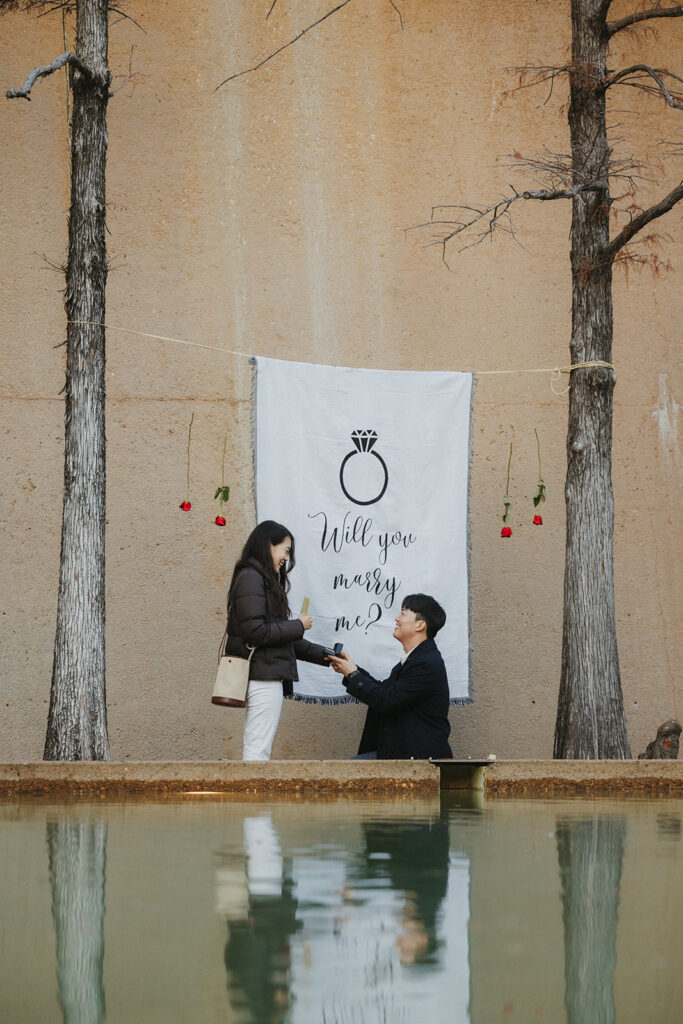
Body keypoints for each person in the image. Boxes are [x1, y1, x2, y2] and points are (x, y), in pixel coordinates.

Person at [225, 520, 329, 761]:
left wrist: (326, 656)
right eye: (285, 549)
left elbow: (278, 638)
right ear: (267, 546)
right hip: (262, 676)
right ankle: (252, 796)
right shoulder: (252, 578)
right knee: (258, 750)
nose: (286, 557)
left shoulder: (256, 578)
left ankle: (252, 794)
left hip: (264, 672)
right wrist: (298, 625)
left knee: (258, 747)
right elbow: (256, 632)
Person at [327, 594, 452, 760]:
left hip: (418, 760)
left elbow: (386, 700)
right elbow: (385, 690)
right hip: (402, 754)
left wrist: (353, 674)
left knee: (350, 773)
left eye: (403, 613)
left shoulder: (425, 663)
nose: (397, 618)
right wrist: (350, 670)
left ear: (419, 625)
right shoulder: (416, 659)